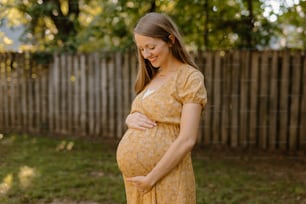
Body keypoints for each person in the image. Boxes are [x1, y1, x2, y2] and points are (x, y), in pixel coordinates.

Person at [116, 12, 207, 204]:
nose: (146, 55)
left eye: (151, 47)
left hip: (166, 179)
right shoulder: (152, 78)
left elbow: (187, 139)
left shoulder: (189, 77)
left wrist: (151, 178)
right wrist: (129, 118)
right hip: (138, 184)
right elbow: (145, 114)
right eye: (141, 49)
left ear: (170, 40)